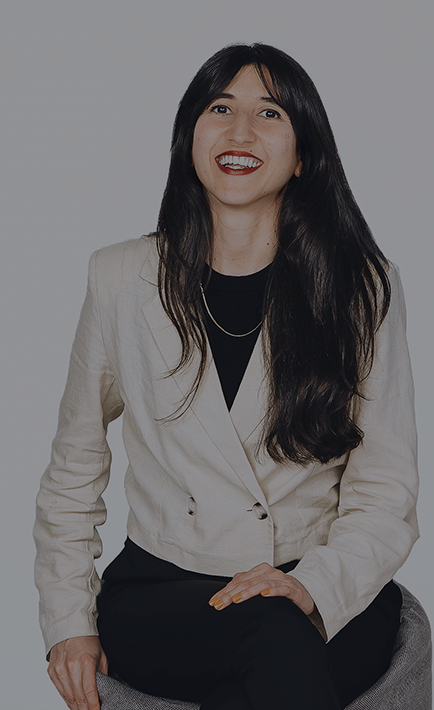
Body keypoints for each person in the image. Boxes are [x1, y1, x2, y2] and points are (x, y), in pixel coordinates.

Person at [33, 43, 419, 710]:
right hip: (162, 589)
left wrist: (315, 587)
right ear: (190, 139)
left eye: (269, 112)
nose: (240, 132)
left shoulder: (360, 287)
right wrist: (67, 620)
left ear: (302, 156)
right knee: (267, 636)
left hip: (318, 577)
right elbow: (74, 467)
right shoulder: (120, 279)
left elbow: (386, 487)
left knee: (271, 640)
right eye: (220, 108)